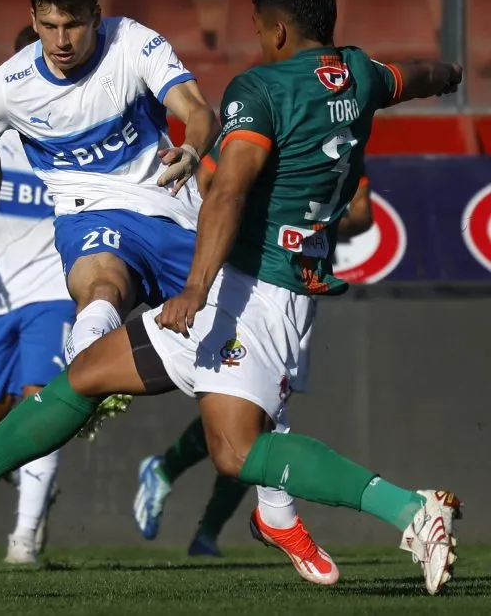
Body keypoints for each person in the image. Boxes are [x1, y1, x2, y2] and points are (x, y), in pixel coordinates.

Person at [0, 0, 463, 596]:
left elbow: (228, 192)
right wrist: (451, 74)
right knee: (95, 377)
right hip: (274, 282)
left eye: (258, 28)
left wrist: (194, 287)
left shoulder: (259, 89)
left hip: (249, 289)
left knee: (237, 449)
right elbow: (414, 75)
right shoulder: (359, 73)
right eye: (49, 25)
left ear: (277, 31)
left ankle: (408, 510)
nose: (61, 37)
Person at [133, 150, 374, 559]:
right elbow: (211, 193)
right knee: (253, 417)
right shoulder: (257, 138)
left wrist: (311, 227)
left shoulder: (337, 144)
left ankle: (198, 519)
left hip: (294, 294)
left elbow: (363, 214)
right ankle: (189, 501)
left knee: (258, 419)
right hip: (243, 289)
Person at [0, 25, 76, 565]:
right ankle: (35, 481)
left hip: (53, 291)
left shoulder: (79, 134)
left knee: (39, 406)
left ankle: (23, 539)